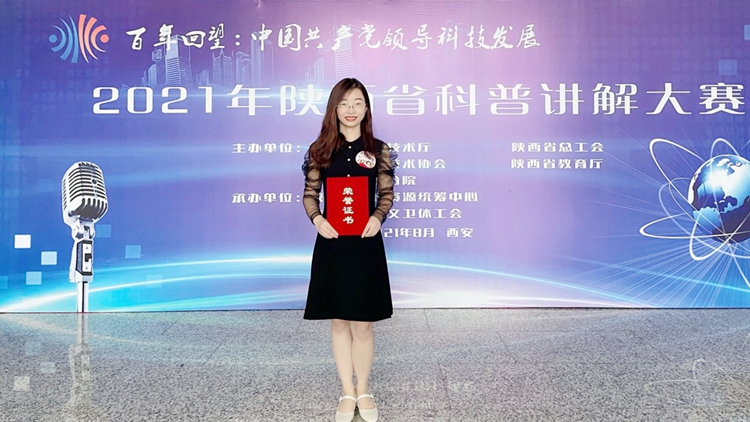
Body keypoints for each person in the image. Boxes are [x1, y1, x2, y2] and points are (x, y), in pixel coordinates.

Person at [301, 78, 396, 422]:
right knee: (339, 321)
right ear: (334, 108)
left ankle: (364, 389)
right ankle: (346, 391)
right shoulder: (320, 150)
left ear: (366, 108)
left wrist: (377, 217)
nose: (351, 110)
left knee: (364, 324)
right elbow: (310, 194)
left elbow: (386, 194)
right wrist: (318, 220)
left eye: (357, 102)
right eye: (344, 103)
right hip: (333, 244)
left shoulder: (378, 149)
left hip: (366, 244)